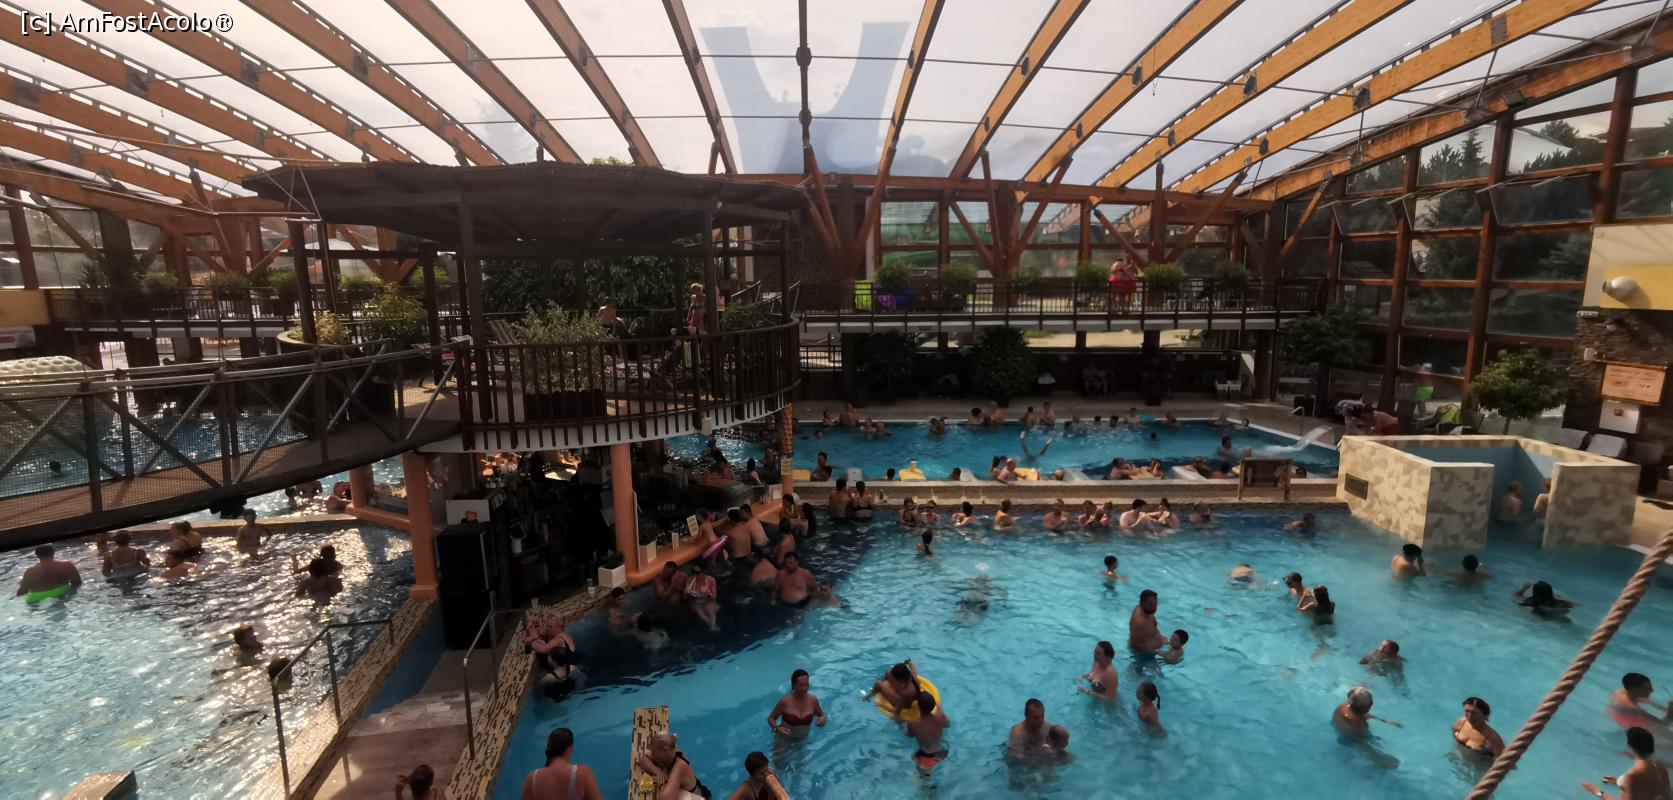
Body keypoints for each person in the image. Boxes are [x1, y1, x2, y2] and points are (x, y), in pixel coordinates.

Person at [1582, 726, 1672, 800]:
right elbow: (1667, 797)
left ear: (1630, 747)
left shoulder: (1632, 775)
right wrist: (1618, 782)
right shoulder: (1661, 768)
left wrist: (1596, 791)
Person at [636, 731, 705, 800]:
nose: (652, 756)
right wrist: (657, 771)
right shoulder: (668, 753)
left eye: (655, 757)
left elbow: (665, 798)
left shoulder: (679, 766)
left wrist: (663, 783)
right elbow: (642, 759)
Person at [528, 615, 581, 701]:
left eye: (550, 626)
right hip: (565, 669)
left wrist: (531, 640)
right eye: (547, 625)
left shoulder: (559, 639)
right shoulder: (553, 632)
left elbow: (542, 649)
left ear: (559, 627)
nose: (547, 628)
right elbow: (538, 631)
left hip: (563, 672)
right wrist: (535, 633)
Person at [768, 669, 827, 738]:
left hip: (803, 739)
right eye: (801, 685)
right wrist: (776, 729)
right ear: (793, 685)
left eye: (806, 684)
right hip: (784, 739)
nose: (804, 688)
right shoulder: (785, 702)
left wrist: (822, 721)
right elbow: (771, 718)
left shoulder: (813, 700)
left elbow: (821, 715)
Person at [906, 691, 951, 773]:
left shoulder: (912, 723)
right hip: (942, 752)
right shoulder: (941, 716)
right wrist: (940, 710)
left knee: (923, 778)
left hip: (925, 756)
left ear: (918, 707)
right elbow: (948, 725)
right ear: (934, 705)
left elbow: (909, 735)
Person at [684, 562, 719, 631]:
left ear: (703, 572)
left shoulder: (710, 580)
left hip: (706, 599)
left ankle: (712, 625)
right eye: (693, 571)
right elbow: (686, 596)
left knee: (710, 610)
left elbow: (713, 597)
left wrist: (708, 593)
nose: (694, 574)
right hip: (696, 600)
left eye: (697, 572)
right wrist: (686, 591)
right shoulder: (690, 580)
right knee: (700, 611)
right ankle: (709, 623)